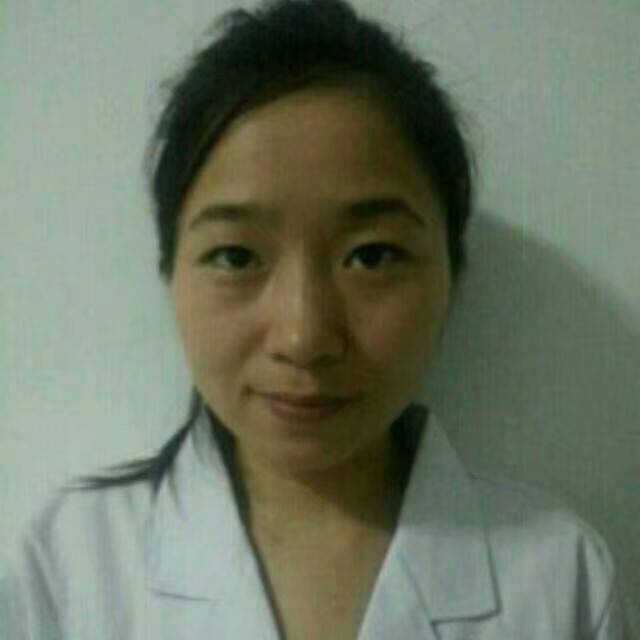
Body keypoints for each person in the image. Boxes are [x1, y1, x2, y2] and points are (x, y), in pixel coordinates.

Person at [0, 0, 630, 638]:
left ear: (452, 274)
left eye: (372, 256)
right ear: (171, 270)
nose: (303, 336)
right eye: (237, 256)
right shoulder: (70, 568)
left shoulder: (560, 579)